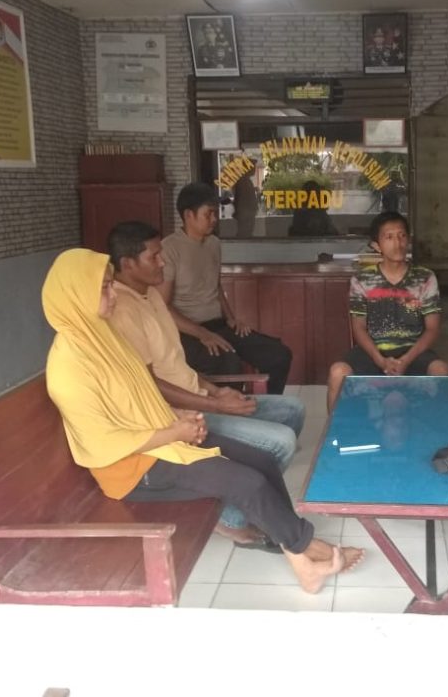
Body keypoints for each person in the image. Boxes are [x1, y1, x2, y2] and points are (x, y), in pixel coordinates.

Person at [41, 248, 364, 593]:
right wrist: (173, 432)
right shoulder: (69, 367)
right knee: (247, 483)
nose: (113, 294)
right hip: (132, 468)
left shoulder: (102, 338)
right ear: (76, 298)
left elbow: (139, 397)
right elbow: (102, 443)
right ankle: (309, 549)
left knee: (262, 461)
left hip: (160, 441)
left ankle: (298, 556)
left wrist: (177, 418)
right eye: (104, 288)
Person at [106, 221, 306, 549]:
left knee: (292, 410)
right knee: (280, 442)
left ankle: (259, 499)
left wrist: (216, 391)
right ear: (128, 264)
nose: (163, 262)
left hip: (199, 398)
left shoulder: (150, 295)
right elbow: (148, 385)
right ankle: (232, 520)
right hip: (179, 416)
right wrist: (216, 405)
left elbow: (176, 366)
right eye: (154, 256)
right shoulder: (123, 311)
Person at [158, 183, 293, 394]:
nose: (214, 219)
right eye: (208, 214)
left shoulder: (214, 244)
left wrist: (231, 318)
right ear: (188, 215)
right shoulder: (168, 249)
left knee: (278, 354)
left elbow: (216, 286)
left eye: (215, 213)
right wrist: (202, 333)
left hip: (219, 325)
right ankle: (229, 410)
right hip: (186, 332)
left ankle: (269, 406)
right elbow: (162, 306)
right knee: (230, 363)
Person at [327, 211, 448, 413]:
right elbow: (358, 328)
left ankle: (434, 428)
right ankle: (335, 431)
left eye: (402, 236)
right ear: (376, 245)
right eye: (389, 237)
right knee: (337, 372)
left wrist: (405, 360)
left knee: (441, 371)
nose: (397, 243)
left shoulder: (425, 277)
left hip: (413, 351)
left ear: (409, 240)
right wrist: (380, 360)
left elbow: (432, 329)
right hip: (372, 352)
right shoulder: (362, 279)